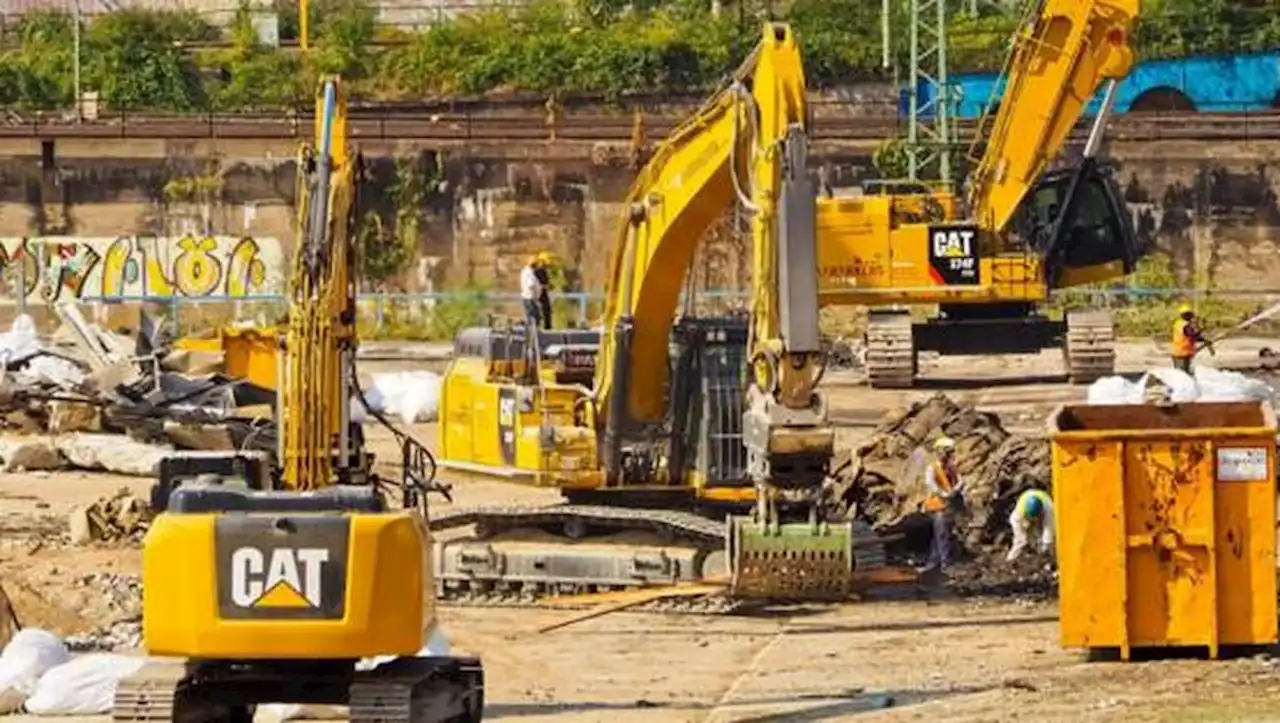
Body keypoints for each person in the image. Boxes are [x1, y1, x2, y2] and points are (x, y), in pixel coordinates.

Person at [921, 436, 965, 573]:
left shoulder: (951, 467)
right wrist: (944, 493)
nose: (950, 455)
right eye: (948, 452)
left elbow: (961, 480)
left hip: (948, 506)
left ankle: (933, 562)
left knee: (940, 535)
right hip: (937, 506)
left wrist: (956, 489)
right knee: (942, 535)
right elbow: (930, 483)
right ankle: (946, 564)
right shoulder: (932, 468)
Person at [1007, 488, 1054, 562]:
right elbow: (1014, 522)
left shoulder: (1048, 507)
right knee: (1021, 539)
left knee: (1041, 534)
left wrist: (1046, 543)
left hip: (1042, 512)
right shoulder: (1021, 508)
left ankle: (1042, 554)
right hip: (1025, 516)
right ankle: (1011, 559)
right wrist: (1021, 538)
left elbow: (1048, 526)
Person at [1171, 303, 1211, 374]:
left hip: (1182, 353)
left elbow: (1192, 336)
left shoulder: (1179, 323)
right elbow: (1192, 335)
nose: (1192, 316)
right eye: (1189, 314)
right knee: (1183, 375)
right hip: (1182, 354)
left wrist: (1203, 339)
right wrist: (1202, 335)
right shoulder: (1184, 325)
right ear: (1185, 315)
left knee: (1185, 374)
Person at [520, 254, 544, 329]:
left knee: (533, 318)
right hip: (530, 298)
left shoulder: (527, 272)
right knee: (534, 319)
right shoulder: (528, 273)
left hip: (529, 298)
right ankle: (533, 336)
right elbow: (531, 285)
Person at [534, 251, 554, 331]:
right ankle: (539, 327)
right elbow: (538, 284)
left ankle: (547, 327)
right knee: (540, 312)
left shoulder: (544, 271)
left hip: (543, 293)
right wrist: (547, 286)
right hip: (539, 294)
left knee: (547, 311)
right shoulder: (537, 271)